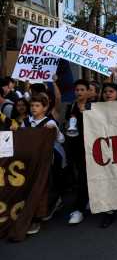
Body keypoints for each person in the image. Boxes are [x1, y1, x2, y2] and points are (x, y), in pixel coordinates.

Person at [22, 93, 65, 235]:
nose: (34, 108)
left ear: (45, 108)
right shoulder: (26, 122)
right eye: (32, 105)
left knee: (42, 187)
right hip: (29, 161)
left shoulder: (50, 122)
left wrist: (53, 130)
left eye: (37, 105)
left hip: (45, 161)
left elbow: (61, 139)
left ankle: (37, 219)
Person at [66, 80, 92, 225]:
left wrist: (86, 113)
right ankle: (82, 205)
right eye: (77, 90)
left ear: (88, 91)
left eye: (82, 89)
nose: (79, 92)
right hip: (76, 146)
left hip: (92, 146)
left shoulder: (93, 106)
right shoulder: (71, 106)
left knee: (88, 176)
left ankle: (81, 207)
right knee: (81, 176)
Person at [99, 83, 117, 228]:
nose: (108, 94)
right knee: (108, 178)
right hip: (106, 149)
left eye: (111, 91)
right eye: (105, 91)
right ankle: (109, 212)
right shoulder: (95, 109)